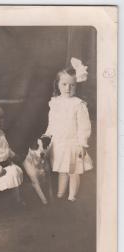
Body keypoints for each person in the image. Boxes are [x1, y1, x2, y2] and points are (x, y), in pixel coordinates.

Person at [44, 58, 93, 201]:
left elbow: (84, 126)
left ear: (76, 86)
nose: (67, 88)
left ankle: (72, 196)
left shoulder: (79, 104)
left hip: (73, 144)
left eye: (72, 85)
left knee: (74, 171)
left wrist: (82, 144)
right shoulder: (55, 103)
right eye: (64, 84)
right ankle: (60, 193)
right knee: (62, 169)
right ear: (57, 84)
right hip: (59, 143)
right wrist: (47, 137)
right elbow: (52, 123)